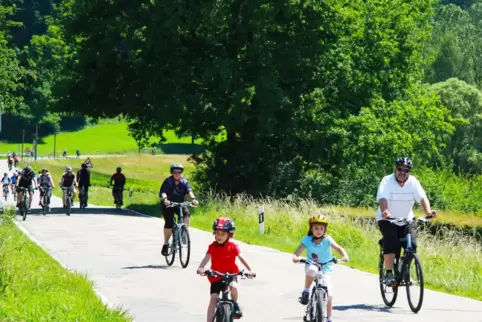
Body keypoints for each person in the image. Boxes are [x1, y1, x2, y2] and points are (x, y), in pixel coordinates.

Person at [376, 157, 436, 286]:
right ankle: (389, 274)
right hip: (388, 220)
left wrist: (428, 212)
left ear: (409, 171)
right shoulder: (387, 181)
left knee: (412, 246)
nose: (402, 172)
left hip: (407, 219)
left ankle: (403, 272)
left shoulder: (413, 182)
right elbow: (382, 198)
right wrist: (385, 211)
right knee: (391, 241)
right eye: (400, 169)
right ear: (395, 169)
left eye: (406, 170)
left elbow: (422, 198)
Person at [292, 214, 349, 322]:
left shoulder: (327, 239)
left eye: (321, 228)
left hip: (326, 267)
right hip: (312, 264)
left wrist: (344, 255)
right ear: (311, 228)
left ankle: (329, 318)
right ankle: (306, 290)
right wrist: (296, 257)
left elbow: (339, 248)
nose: (319, 231)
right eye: (316, 228)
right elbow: (298, 251)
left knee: (330, 294)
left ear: (325, 229)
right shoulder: (307, 239)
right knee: (312, 270)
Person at [197, 218, 255, 321]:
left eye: (222, 234)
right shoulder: (212, 247)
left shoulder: (233, 246)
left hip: (231, 274)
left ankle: (234, 304)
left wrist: (250, 269)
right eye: (217, 233)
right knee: (213, 300)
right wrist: (201, 268)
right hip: (215, 275)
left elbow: (241, 257)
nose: (219, 236)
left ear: (229, 235)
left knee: (233, 287)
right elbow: (206, 258)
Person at [160, 163, 199, 256]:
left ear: (181, 173)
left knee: (187, 214)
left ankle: (183, 233)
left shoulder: (184, 182)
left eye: (179, 172)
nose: (177, 174)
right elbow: (163, 192)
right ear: (172, 173)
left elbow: (189, 191)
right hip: (169, 204)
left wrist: (193, 199)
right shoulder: (168, 182)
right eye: (175, 172)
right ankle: (166, 244)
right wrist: (165, 199)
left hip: (179, 204)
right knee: (169, 223)